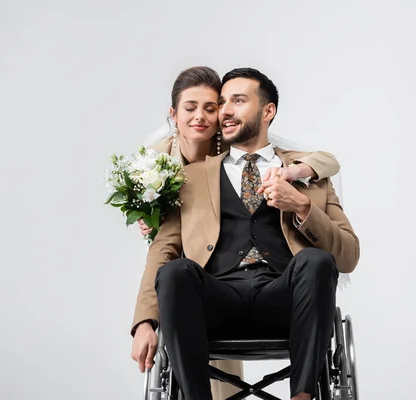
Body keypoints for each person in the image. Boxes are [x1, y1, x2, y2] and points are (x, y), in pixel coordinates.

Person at [130, 66, 344, 399]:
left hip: (283, 300)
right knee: (177, 271)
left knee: (315, 261)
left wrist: (302, 207)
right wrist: (146, 320)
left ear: (268, 111)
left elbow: (349, 255)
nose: (226, 110)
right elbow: (163, 249)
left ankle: (302, 396)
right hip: (218, 302)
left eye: (238, 101)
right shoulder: (188, 178)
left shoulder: (305, 172)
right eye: (224, 102)